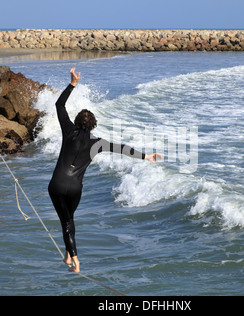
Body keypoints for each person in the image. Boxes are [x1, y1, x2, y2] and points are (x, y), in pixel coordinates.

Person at [49, 68, 162, 273]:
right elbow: (122, 149)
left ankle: (74, 258)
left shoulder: (68, 131)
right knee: (69, 220)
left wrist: (73, 84)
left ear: (75, 122)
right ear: (93, 126)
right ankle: (69, 254)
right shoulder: (97, 144)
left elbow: (59, 105)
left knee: (65, 221)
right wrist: (146, 156)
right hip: (75, 188)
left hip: (56, 184)